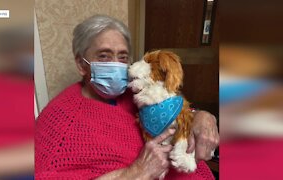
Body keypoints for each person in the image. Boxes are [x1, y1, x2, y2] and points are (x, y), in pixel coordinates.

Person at [35, 15, 219, 179]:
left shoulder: (137, 93)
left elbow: (174, 110)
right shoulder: (61, 118)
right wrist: (138, 171)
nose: (116, 65)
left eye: (122, 57)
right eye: (104, 56)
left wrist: (202, 116)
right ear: (81, 64)